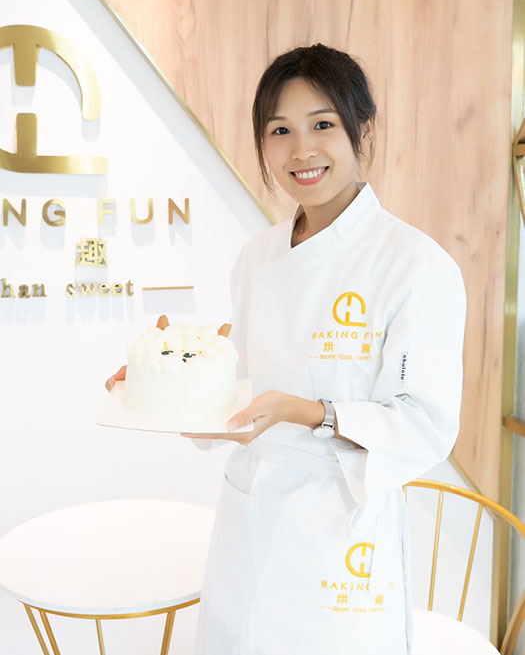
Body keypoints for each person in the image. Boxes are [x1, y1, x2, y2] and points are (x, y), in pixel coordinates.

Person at [107, 43, 466, 655]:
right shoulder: (258, 256)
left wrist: (310, 412)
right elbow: (239, 398)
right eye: (280, 131)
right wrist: (168, 381)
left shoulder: (414, 264)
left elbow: (424, 424)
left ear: (363, 129)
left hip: (341, 537)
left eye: (322, 125)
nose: (301, 150)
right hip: (250, 519)